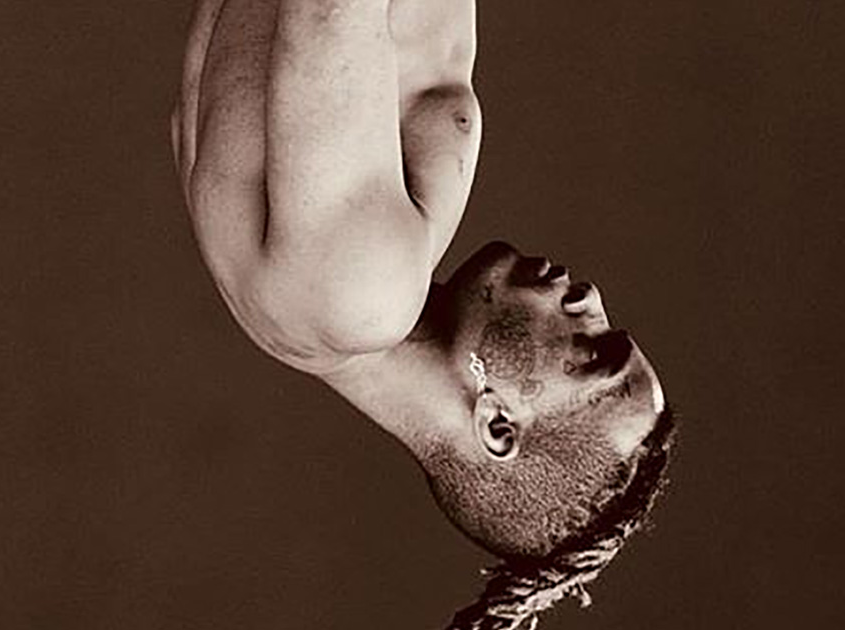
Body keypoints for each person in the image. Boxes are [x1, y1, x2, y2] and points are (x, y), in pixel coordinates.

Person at [170, 0, 677, 627]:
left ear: (497, 424)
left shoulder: (359, 292)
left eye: (593, 355)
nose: (590, 300)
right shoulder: (318, 314)